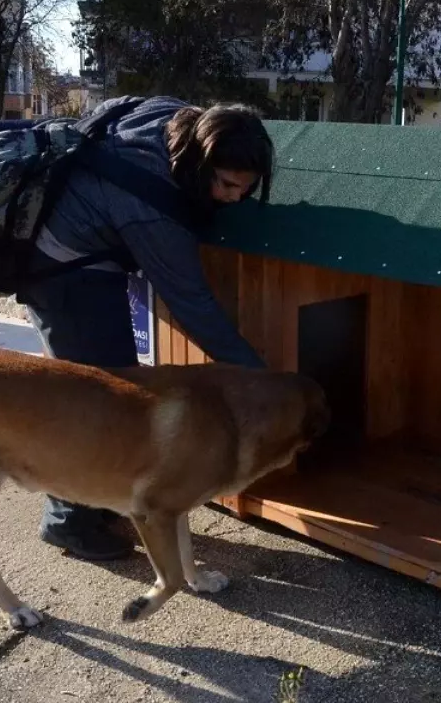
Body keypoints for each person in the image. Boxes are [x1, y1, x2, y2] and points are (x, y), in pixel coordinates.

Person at [16, 96, 271, 561]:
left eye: (246, 189)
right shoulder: (151, 205)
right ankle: (67, 522)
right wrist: (261, 380)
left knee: (112, 396)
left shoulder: (176, 119)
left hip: (82, 259)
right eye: (228, 185)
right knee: (91, 403)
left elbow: (116, 105)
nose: (236, 198)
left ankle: (96, 504)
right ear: (201, 162)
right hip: (62, 273)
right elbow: (193, 305)